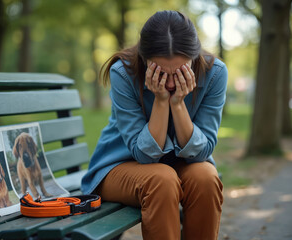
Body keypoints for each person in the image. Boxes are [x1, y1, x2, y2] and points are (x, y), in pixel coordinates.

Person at [81, 10, 226, 240]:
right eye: (159, 72)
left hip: (181, 166)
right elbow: (145, 155)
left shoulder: (214, 73)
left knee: (206, 178)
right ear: (144, 59)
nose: (169, 83)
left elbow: (202, 152)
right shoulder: (124, 72)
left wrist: (178, 105)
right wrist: (160, 101)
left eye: (179, 72)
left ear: (193, 58)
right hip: (120, 165)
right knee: (161, 179)